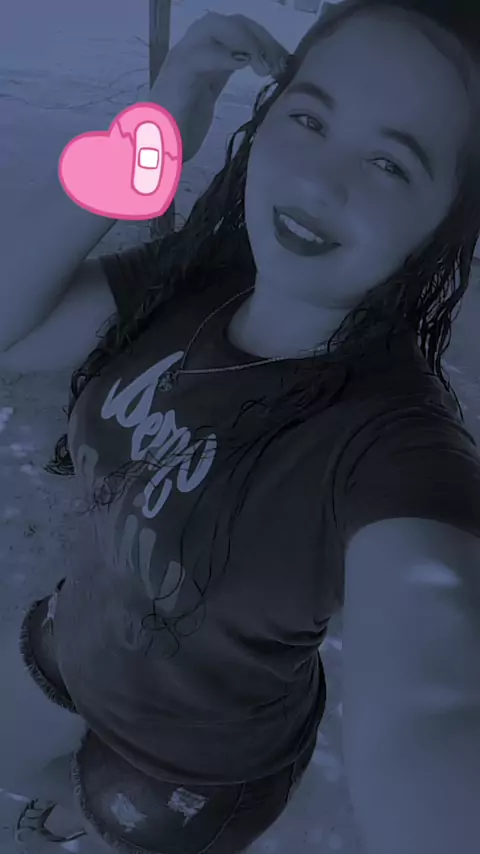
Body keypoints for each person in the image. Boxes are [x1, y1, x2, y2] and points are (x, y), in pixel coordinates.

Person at [1, 2, 480, 853]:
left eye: (389, 163)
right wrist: (150, 136)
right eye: (309, 118)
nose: (318, 182)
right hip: (68, 640)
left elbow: (429, 712)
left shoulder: (395, 448)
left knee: (91, 822)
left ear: (446, 220)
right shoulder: (190, 286)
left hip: (185, 772)